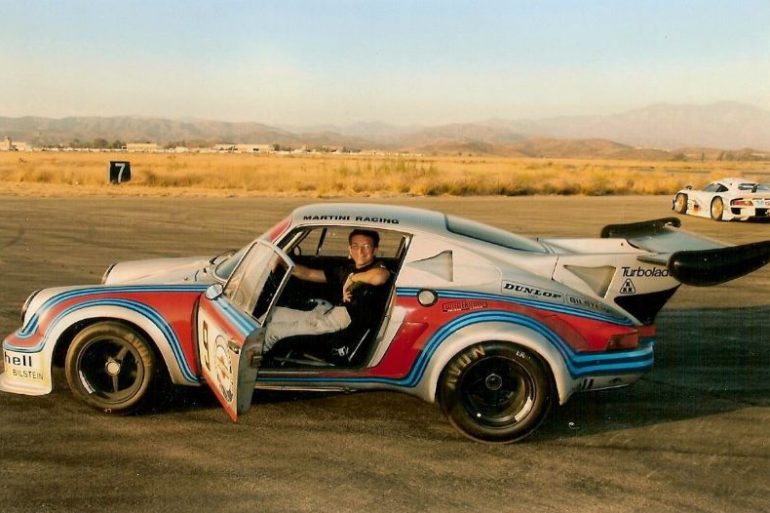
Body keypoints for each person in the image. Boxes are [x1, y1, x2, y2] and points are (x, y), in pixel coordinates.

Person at [264, 228, 391, 351]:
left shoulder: (378, 267)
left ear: (375, 250)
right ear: (350, 249)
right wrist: (282, 260)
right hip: (327, 313)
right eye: (355, 246)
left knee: (272, 332)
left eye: (367, 246)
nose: (360, 251)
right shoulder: (346, 270)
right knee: (273, 313)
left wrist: (353, 278)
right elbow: (308, 274)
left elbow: (380, 277)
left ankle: (255, 366)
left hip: (341, 324)